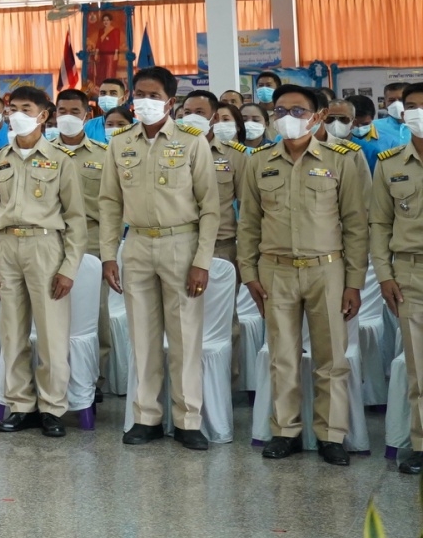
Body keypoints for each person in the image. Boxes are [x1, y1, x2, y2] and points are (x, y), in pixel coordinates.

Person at [242, 84, 368, 465]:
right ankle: (286, 431)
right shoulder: (259, 161)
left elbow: (357, 226)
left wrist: (354, 283)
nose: (287, 119)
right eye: (280, 111)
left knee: (331, 357)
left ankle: (331, 435)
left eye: (297, 111)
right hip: (275, 270)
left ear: (317, 116)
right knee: (281, 356)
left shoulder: (344, 159)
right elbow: (248, 223)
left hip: (326, 270)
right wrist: (249, 274)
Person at [100, 66, 219, 450]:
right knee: (143, 337)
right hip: (136, 245)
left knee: (184, 337)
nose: (144, 102)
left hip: (180, 244)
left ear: (170, 101)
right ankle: (146, 417)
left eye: (152, 96)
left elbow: (211, 207)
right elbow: (109, 203)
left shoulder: (191, 140)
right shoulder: (120, 143)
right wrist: (108, 255)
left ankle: (188, 421)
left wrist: (202, 259)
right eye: (139, 95)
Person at [0, 87, 85, 436]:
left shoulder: (60, 160)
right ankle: (21, 405)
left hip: (45, 248)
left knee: (52, 334)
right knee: (12, 332)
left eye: (27, 108)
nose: (17, 114)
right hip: (7, 247)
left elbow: (76, 219)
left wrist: (69, 267)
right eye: (13, 108)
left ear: (43, 115)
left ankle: (53, 408)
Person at [49, 87, 113, 376]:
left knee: (94, 311)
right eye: (62, 111)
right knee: (51, 308)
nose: (68, 117)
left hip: (91, 241)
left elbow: (113, 205)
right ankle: (54, 370)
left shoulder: (104, 155)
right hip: (51, 240)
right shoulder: (42, 153)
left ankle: (94, 374)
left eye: (75, 112)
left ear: (87, 116)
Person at [370, 127, 423, 473]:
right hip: (411, 271)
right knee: (418, 366)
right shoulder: (389, 164)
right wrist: (385, 275)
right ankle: (421, 443)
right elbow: (379, 223)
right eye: (415, 107)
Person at [180, 90, 245, 268]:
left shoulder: (234, 154)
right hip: (177, 244)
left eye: (199, 112)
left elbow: (246, 206)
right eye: (187, 113)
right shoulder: (170, 151)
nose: (192, 117)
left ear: (214, 118)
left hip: (220, 246)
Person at [85, 77, 127, 143]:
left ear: (123, 99)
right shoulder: (89, 126)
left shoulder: (135, 125)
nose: (107, 97)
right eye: (103, 93)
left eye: (113, 93)